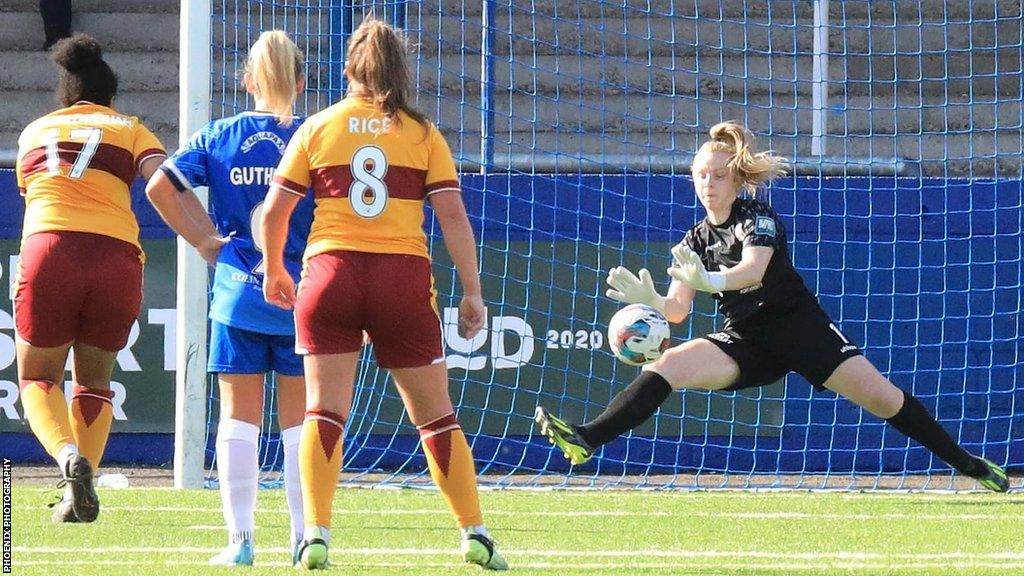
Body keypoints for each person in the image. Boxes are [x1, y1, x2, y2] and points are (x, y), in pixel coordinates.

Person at [535, 121, 1010, 493]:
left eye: (719, 175)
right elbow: (676, 312)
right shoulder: (694, 240)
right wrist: (651, 301)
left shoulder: (756, 217)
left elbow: (753, 271)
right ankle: (587, 439)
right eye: (701, 175)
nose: (708, 183)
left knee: (884, 399)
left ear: (738, 179)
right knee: (671, 362)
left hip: (801, 330)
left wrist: (710, 279)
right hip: (747, 340)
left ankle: (968, 464)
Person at [259, 18, 508, 572]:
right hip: (401, 276)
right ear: (402, 71)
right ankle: (475, 532)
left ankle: (315, 534)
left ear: (347, 69)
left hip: (330, 273)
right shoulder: (422, 135)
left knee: (324, 411)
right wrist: (472, 292)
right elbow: (453, 218)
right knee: (436, 417)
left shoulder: (317, 127)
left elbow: (274, 211)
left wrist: (274, 268)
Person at [145, 30, 314, 567]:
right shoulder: (313, 137)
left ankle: (241, 542)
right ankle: (300, 540)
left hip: (238, 293)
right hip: (299, 291)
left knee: (240, 420)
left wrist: (203, 240)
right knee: (298, 426)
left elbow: (158, 186)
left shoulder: (219, 133)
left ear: (246, 82)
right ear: (302, 82)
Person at [14, 33, 167, 523]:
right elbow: (161, 177)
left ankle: (66, 459)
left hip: (49, 247)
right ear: (111, 97)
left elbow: (30, 190)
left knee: (38, 376)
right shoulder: (131, 127)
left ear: (64, 95)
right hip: (115, 254)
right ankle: (81, 488)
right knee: (94, 381)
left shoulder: (34, 131)